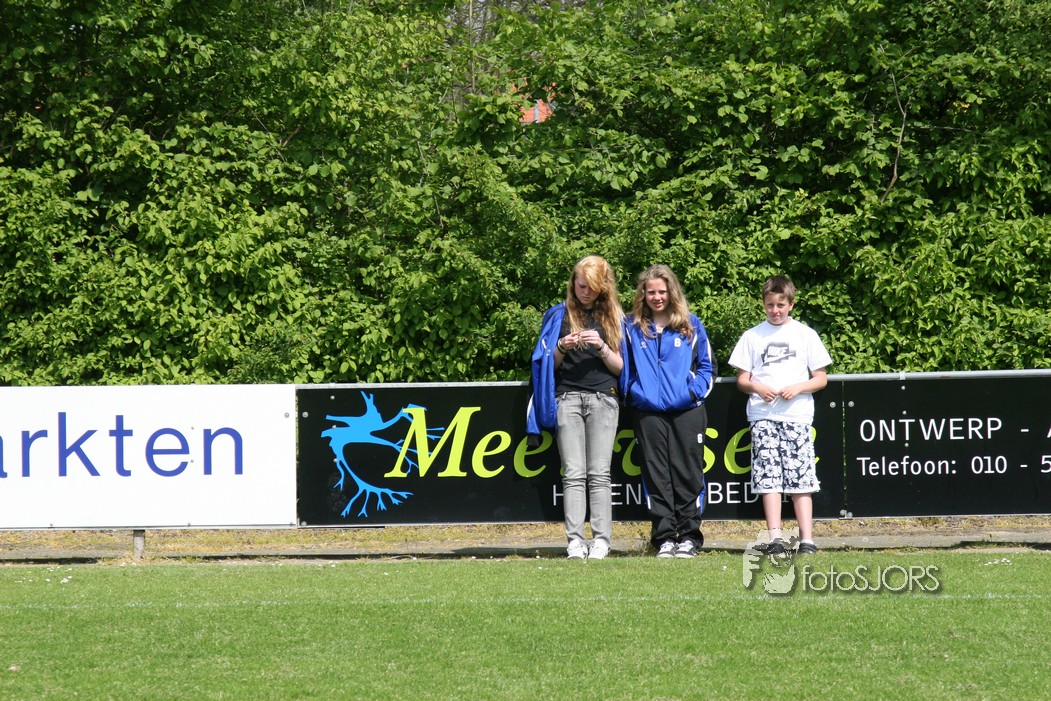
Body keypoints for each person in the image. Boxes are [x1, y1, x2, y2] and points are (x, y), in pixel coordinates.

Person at [527, 256, 625, 559]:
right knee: (572, 473)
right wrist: (561, 347)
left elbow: (622, 369)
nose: (585, 292)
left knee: (599, 474)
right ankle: (575, 541)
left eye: (592, 288)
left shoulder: (614, 316)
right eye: (581, 286)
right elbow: (545, 366)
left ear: (603, 288)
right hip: (566, 397)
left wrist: (601, 347)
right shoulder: (558, 314)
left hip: (603, 398)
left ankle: (601, 541)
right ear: (573, 283)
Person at [728, 274, 832, 556]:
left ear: (791, 305)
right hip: (762, 415)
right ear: (764, 304)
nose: (775, 310)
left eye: (780, 305)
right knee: (769, 477)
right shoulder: (752, 336)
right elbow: (742, 380)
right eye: (770, 305)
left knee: (801, 477)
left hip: (797, 415)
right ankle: (775, 537)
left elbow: (821, 378)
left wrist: (798, 388)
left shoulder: (805, 334)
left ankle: (807, 539)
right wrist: (758, 387)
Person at [621, 265, 715, 558]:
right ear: (643, 294)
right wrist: (638, 392)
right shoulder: (630, 327)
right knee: (656, 476)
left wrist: (690, 393)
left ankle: (689, 537)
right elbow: (624, 367)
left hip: (687, 411)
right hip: (648, 412)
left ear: (671, 292)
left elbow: (707, 367)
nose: (657, 297)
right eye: (651, 292)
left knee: (688, 474)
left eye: (662, 291)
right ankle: (664, 538)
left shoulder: (690, 324)